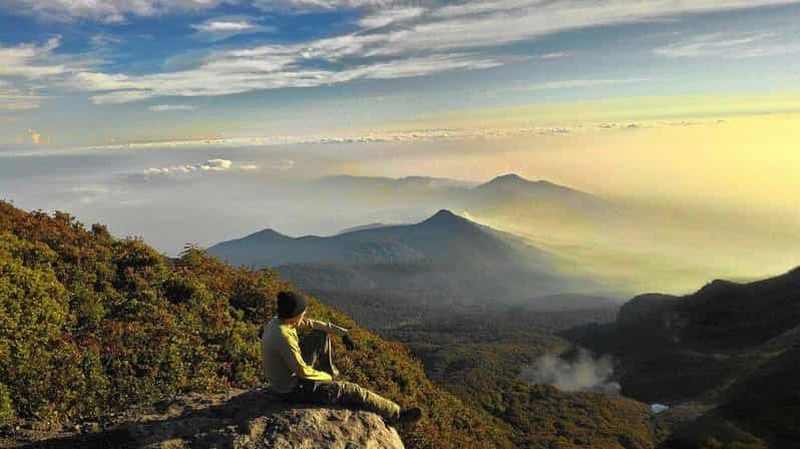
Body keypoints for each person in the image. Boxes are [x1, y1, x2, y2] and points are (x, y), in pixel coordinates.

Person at [261, 290, 422, 424]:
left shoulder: (279, 322)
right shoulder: (284, 337)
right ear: (294, 315)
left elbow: (313, 324)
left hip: (286, 376)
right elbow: (302, 371)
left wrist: (343, 333)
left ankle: (331, 377)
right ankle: (397, 414)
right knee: (353, 391)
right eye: (303, 313)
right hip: (292, 389)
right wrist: (325, 377)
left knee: (320, 335)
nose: (305, 316)